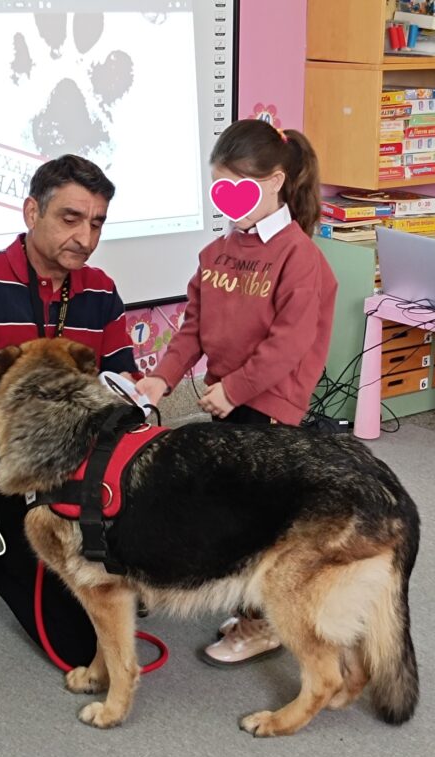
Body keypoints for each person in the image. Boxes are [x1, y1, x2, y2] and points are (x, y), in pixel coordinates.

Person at [135, 119, 338, 667]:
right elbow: (193, 329)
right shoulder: (217, 253)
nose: (227, 200)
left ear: (275, 182)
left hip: (269, 407)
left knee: (258, 522)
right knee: (229, 509)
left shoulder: (300, 258)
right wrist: (162, 378)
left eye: (239, 188)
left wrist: (235, 389)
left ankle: (263, 624)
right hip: (228, 401)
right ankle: (254, 610)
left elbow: (289, 344)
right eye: (220, 188)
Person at [0, 154, 137, 668]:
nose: (85, 238)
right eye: (70, 218)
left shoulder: (101, 290)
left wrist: (132, 399)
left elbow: (122, 380)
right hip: (4, 480)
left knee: (131, 598)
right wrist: (24, 431)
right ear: (31, 212)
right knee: (79, 648)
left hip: (82, 477)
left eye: (97, 223)